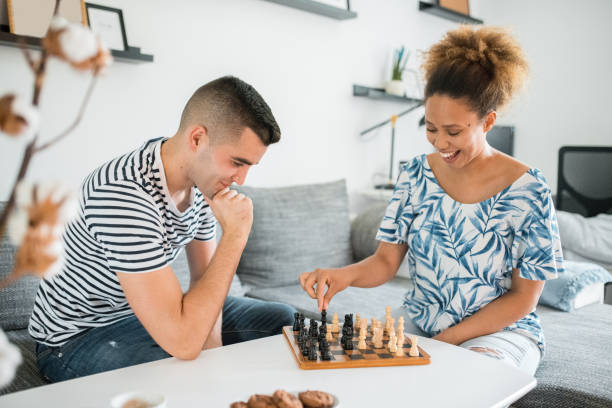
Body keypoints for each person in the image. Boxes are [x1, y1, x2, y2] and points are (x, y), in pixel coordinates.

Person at [299, 26, 563, 375]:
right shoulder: (415, 175)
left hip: (500, 333)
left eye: (454, 132)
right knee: (364, 374)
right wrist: (341, 275)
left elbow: (523, 298)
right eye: (431, 128)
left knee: (467, 380)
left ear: (488, 121)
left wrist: (448, 341)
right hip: (422, 323)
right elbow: (385, 262)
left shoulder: (529, 189)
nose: (440, 143)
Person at [30, 76, 297, 381]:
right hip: (78, 337)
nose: (241, 180)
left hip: (144, 314)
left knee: (284, 321)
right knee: (182, 373)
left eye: (250, 165)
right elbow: (184, 342)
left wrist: (213, 356)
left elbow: (202, 279)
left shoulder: (201, 184)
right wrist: (236, 235)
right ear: (197, 139)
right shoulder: (122, 193)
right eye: (237, 162)